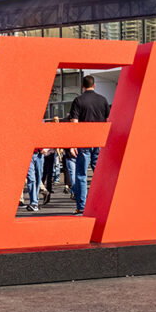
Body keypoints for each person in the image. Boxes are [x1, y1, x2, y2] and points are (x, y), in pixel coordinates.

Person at [68, 75, 109, 215]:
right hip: (99, 141)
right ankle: (103, 204)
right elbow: (107, 121)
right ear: (95, 85)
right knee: (100, 174)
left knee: (81, 174)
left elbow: (74, 122)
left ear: (82, 86)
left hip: (84, 141)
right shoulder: (103, 100)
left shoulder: (78, 100)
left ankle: (82, 206)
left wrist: (73, 144)